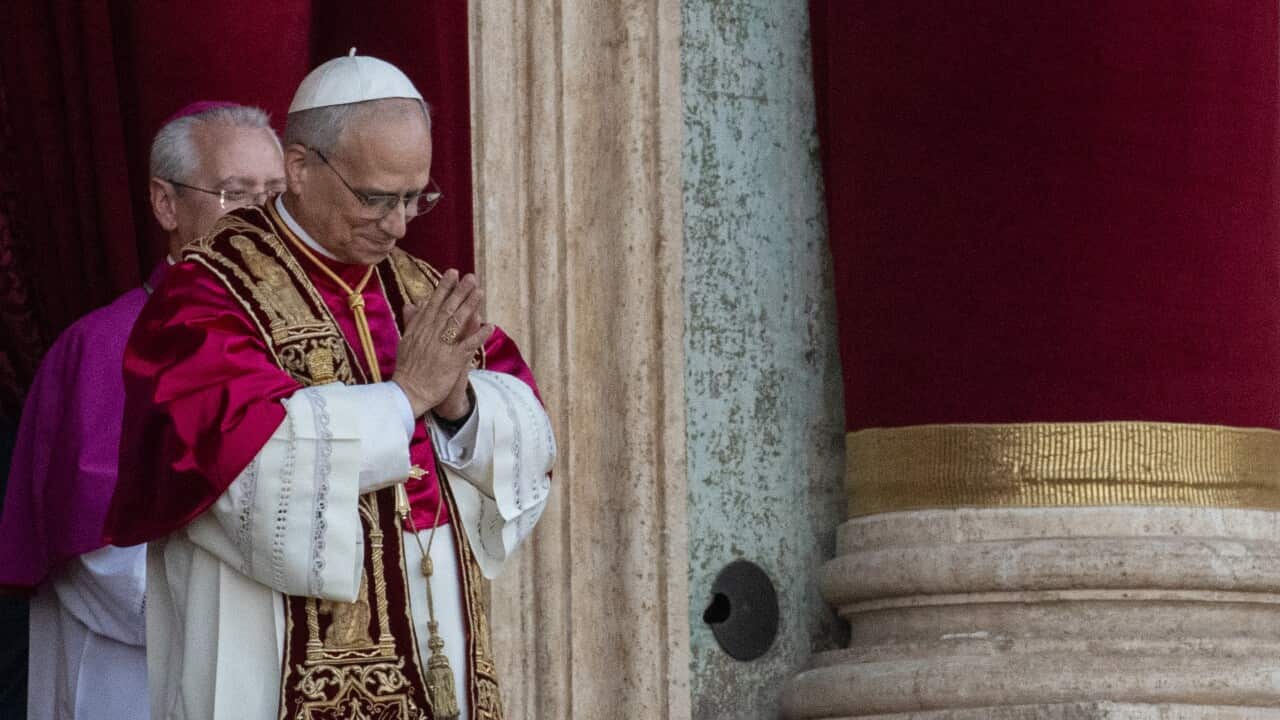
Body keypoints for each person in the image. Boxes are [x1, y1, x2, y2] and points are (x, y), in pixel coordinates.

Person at [104, 53, 554, 720]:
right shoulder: (210, 289)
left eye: (414, 198)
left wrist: (459, 404)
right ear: (299, 167)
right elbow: (239, 466)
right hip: (268, 651)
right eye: (375, 198)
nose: (398, 224)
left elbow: (528, 436)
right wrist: (404, 399)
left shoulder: (420, 287)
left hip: (435, 648)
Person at [0, 101, 286, 719]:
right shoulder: (103, 348)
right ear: (166, 204)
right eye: (236, 193)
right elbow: (100, 556)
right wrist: (255, 618)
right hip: (134, 677)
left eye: (276, 194)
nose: (263, 219)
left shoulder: (301, 340)